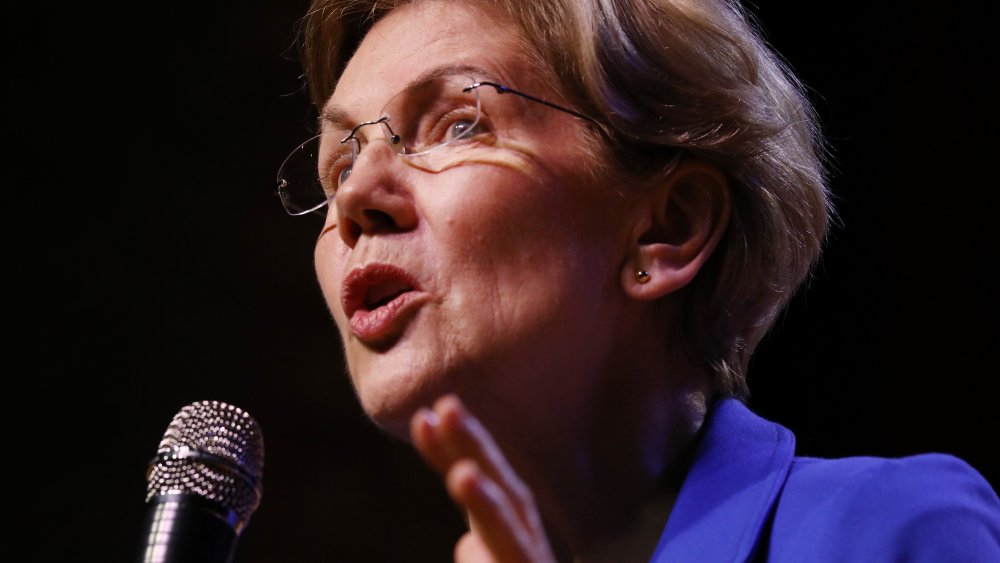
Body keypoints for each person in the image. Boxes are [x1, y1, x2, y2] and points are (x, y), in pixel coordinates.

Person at [274, 0, 1000, 560]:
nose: (354, 196)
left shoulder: (884, 531)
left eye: (461, 125)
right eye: (340, 161)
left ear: (668, 227)